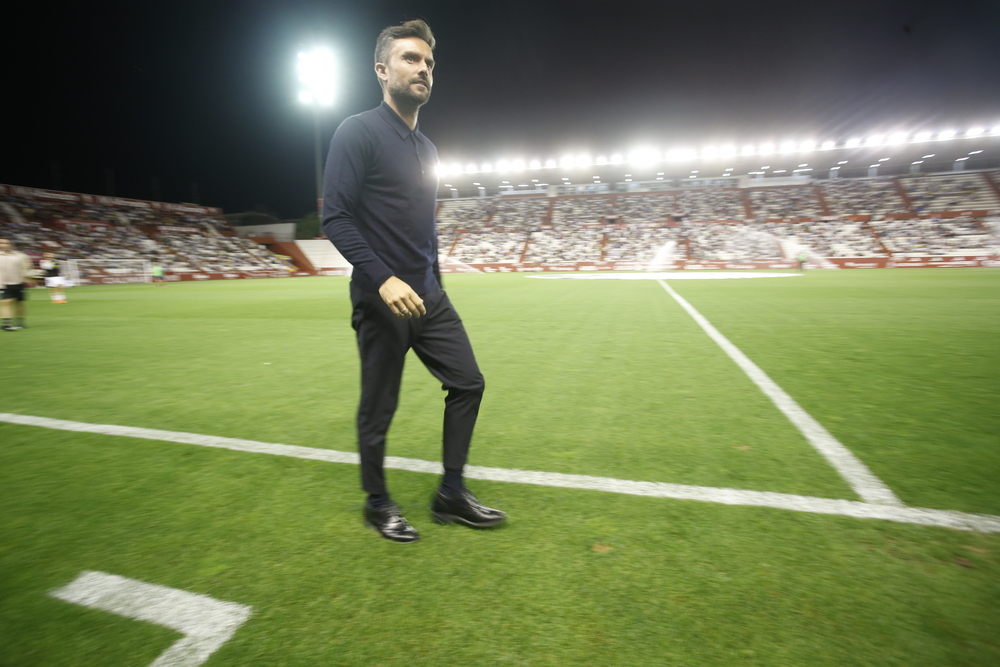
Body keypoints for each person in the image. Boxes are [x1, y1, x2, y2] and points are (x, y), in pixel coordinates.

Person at [322, 19, 505, 543]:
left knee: (468, 382)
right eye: (409, 59)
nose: (422, 68)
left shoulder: (428, 150)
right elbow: (335, 216)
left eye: (427, 62)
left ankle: (450, 493)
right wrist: (381, 280)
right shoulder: (356, 132)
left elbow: (423, 227)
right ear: (382, 70)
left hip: (429, 295)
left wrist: (437, 283)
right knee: (379, 407)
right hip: (382, 299)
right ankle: (378, 502)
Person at [0, 238, 35, 331]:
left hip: (19, 283)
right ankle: (6, 323)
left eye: (6, 242)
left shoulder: (20, 256)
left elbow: (27, 268)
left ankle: (20, 322)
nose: (3, 244)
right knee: (6, 302)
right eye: (1, 243)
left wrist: (28, 278)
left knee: (19, 303)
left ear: (10, 244)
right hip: (3, 284)